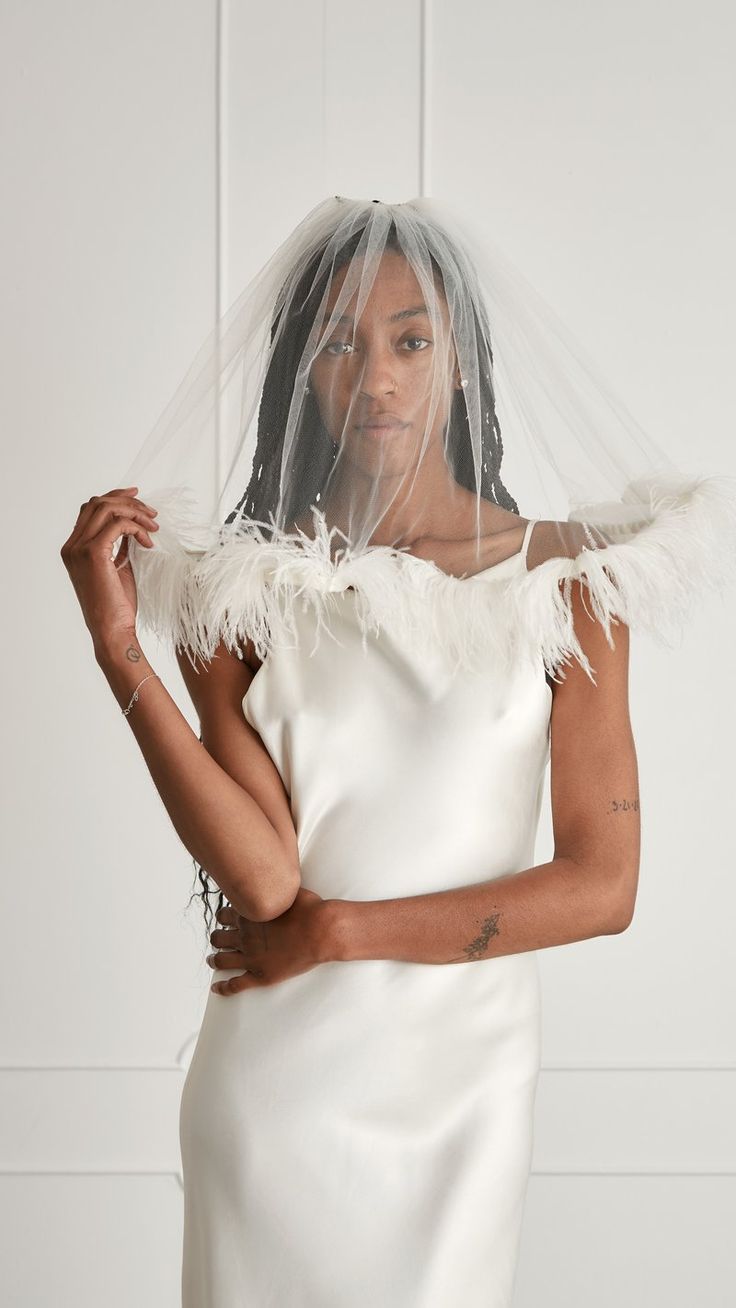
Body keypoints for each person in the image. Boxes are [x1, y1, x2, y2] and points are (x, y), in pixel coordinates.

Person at [60, 196, 736, 1306]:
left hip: (455, 1096)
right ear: (301, 371)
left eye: (410, 341)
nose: (375, 376)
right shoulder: (243, 589)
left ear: (460, 362)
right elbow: (266, 877)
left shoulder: (570, 583)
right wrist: (120, 650)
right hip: (274, 1091)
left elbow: (602, 886)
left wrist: (344, 934)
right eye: (338, 341)